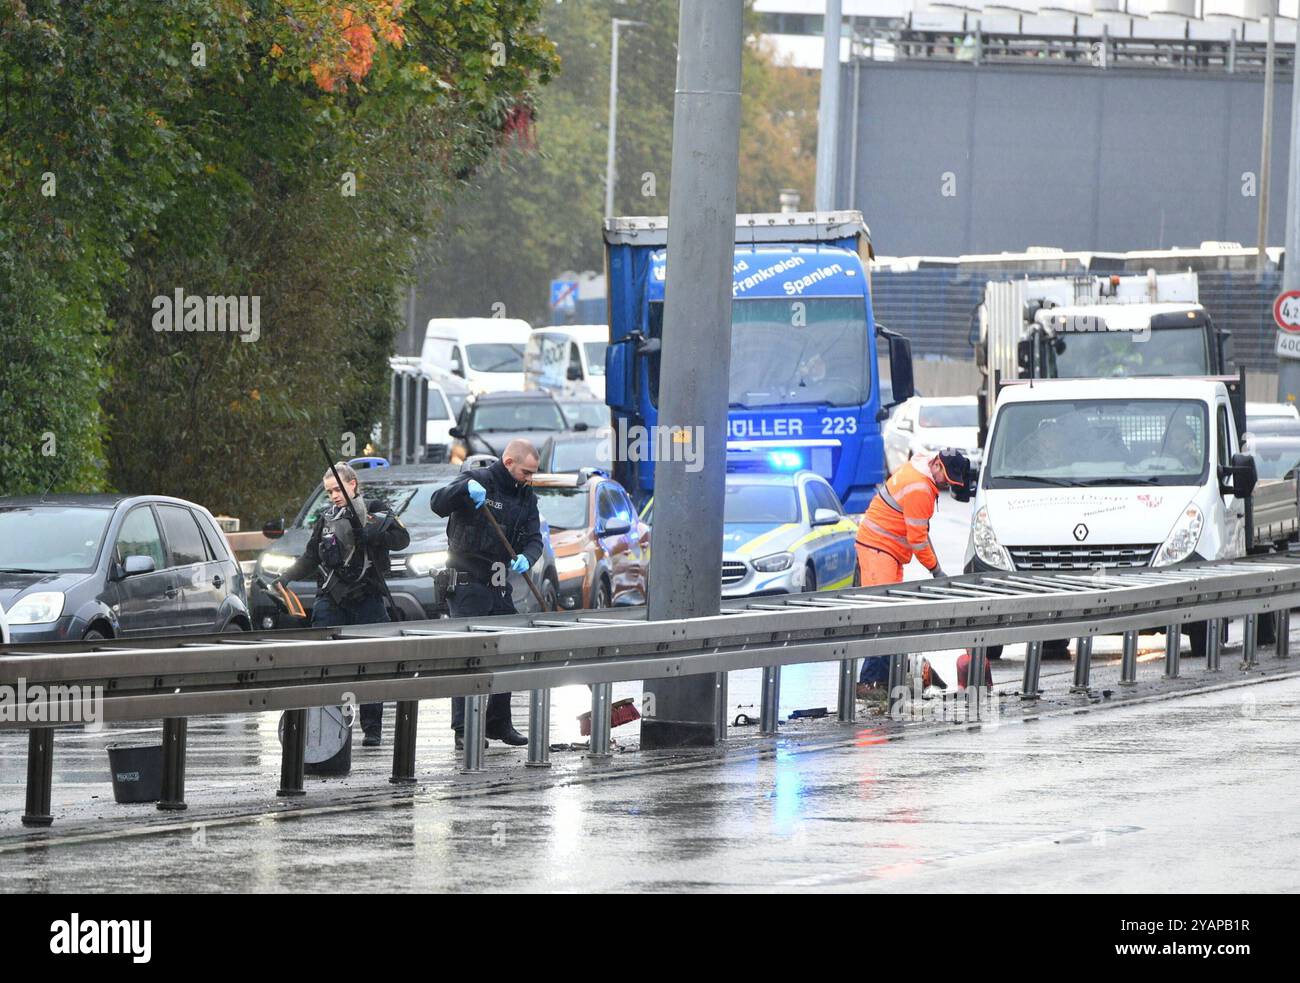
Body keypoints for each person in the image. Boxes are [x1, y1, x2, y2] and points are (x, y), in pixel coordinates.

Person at [276, 462, 410, 746]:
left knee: (372, 663)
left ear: (353, 485)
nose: (334, 495)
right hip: (332, 597)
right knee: (324, 661)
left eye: (338, 489)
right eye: (329, 491)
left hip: (368, 595)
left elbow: (401, 539)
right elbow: (311, 556)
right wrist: (286, 577)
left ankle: (372, 729)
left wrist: (372, 533)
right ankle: (328, 723)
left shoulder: (375, 508)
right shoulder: (326, 518)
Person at [430, 439, 543, 749]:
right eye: (525, 472)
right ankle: (464, 729)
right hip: (467, 585)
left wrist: (527, 558)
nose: (529, 478)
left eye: (533, 473)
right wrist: (462, 491)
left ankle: (498, 723)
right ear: (508, 463)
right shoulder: (477, 480)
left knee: (505, 653)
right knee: (468, 656)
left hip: (498, 585)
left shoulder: (525, 495)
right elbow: (437, 502)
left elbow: (535, 539)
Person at [855, 448, 971, 697]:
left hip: (885, 550)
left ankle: (883, 680)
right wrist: (936, 570)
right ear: (937, 465)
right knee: (882, 616)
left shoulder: (919, 468)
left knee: (890, 615)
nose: (944, 485)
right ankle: (868, 682)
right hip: (879, 549)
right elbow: (918, 539)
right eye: (945, 479)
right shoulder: (919, 488)